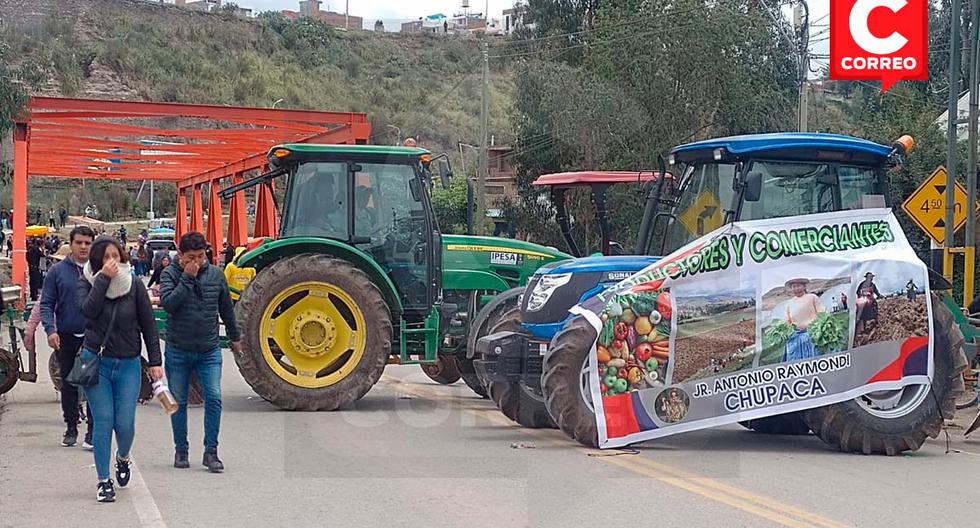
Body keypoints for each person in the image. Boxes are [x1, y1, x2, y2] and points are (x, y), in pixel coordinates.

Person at [77, 236, 162, 502]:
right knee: (103, 420)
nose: (112, 262)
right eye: (106, 257)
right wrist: (102, 278)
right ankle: (103, 481)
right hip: (96, 362)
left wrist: (156, 362)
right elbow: (88, 311)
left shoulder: (134, 285)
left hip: (128, 363)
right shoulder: (87, 282)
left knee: (124, 424)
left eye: (116, 256)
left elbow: (149, 324)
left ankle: (122, 457)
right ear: (97, 261)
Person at [160, 232, 241, 472]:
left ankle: (211, 451)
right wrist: (186, 279)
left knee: (214, 397)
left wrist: (235, 337)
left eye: (201, 256)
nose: (197, 261)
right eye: (191, 257)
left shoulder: (216, 275)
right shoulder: (170, 274)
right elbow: (169, 304)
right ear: (181, 255)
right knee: (177, 402)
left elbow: (227, 309)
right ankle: (181, 449)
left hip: (209, 349)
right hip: (178, 348)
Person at [40, 226, 96, 447]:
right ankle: (71, 426)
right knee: (69, 383)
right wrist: (50, 330)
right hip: (65, 335)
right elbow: (46, 303)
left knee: (92, 383)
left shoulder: (100, 270)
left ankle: (93, 430)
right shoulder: (57, 272)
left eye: (87, 243)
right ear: (70, 244)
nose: (83, 247)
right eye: (79, 242)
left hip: (93, 337)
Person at [782, 278, 825, 362]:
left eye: (798, 286)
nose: (796, 288)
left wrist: (818, 327)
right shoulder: (789, 303)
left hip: (813, 333)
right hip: (797, 336)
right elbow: (787, 321)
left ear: (804, 286)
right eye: (794, 286)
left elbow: (822, 313)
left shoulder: (812, 297)